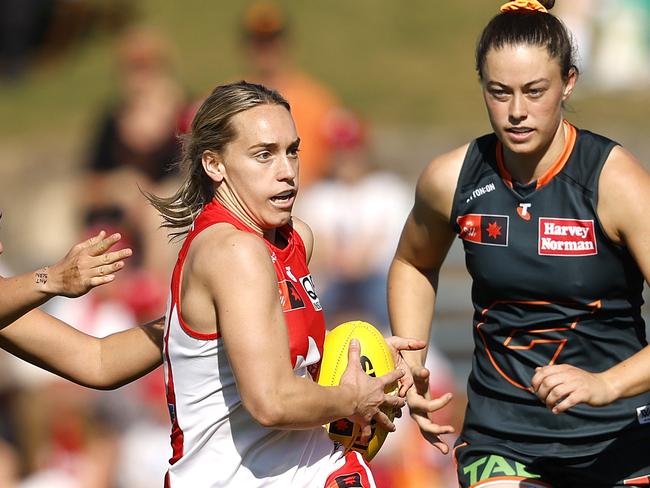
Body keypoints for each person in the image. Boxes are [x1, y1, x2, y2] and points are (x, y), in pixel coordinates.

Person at [388, 0, 650, 486]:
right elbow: (412, 262)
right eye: (499, 92)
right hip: (502, 436)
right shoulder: (452, 179)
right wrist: (411, 360)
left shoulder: (616, 181)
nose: (516, 112)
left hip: (620, 438)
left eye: (534, 91)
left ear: (569, 82)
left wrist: (604, 384)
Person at [145, 80, 422, 487]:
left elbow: (99, 361)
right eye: (264, 155)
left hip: (306, 470)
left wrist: (372, 358)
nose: (288, 171)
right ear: (214, 164)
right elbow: (271, 401)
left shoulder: (291, 239)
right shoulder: (234, 251)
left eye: (292, 151)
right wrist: (356, 397)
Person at [240, 0, 340, 189]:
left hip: (306, 194)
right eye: (260, 41)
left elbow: (336, 162)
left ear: (286, 43)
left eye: (272, 40)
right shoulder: (230, 98)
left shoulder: (315, 99)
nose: (267, 50)